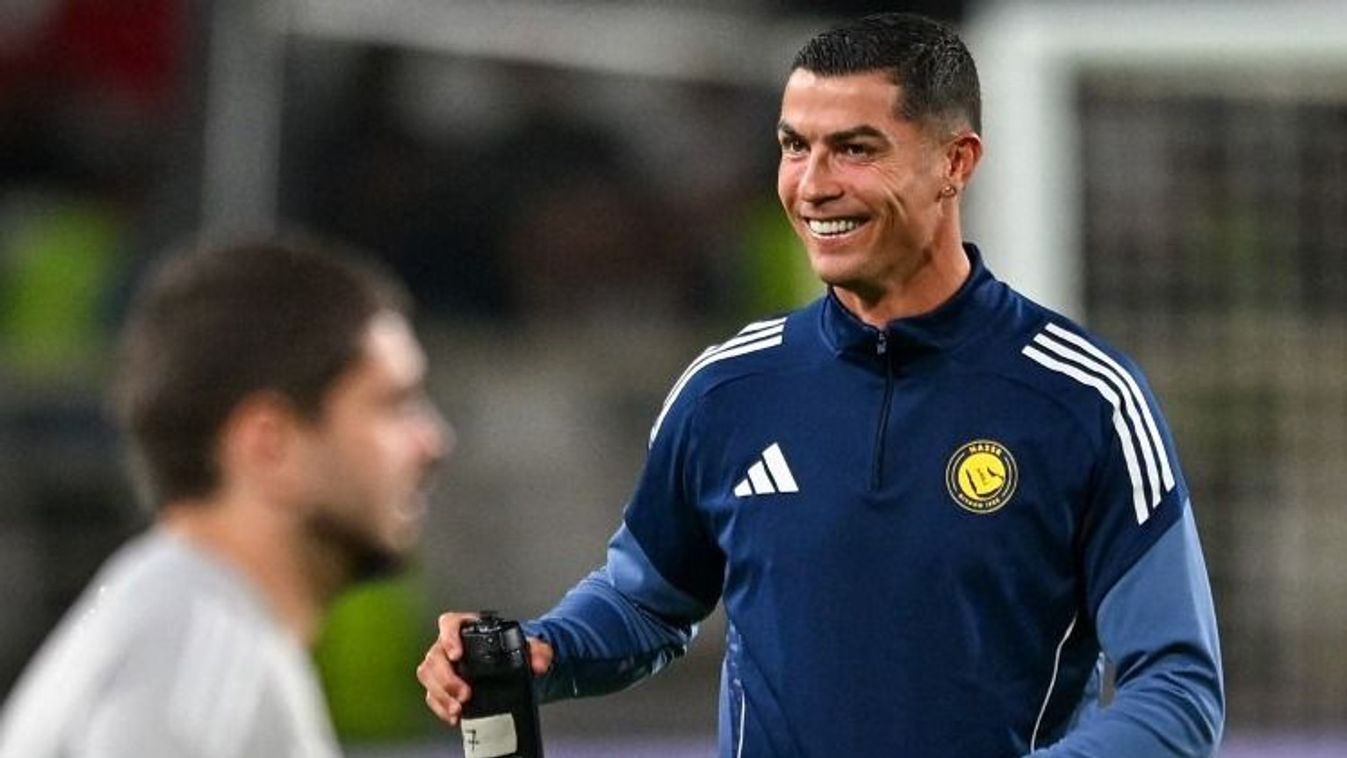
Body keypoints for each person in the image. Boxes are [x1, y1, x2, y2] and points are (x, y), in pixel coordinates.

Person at [418, 12, 1224, 757]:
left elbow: (1176, 691)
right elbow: (646, 602)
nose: (812, 184)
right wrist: (546, 649)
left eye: (855, 149)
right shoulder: (727, 389)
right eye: (794, 146)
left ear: (954, 163)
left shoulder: (1084, 400)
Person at [0, 237, 449, 757]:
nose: (434, 441)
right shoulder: (199, 668)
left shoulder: (194, 629)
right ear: (269, 446)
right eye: (394, 405)